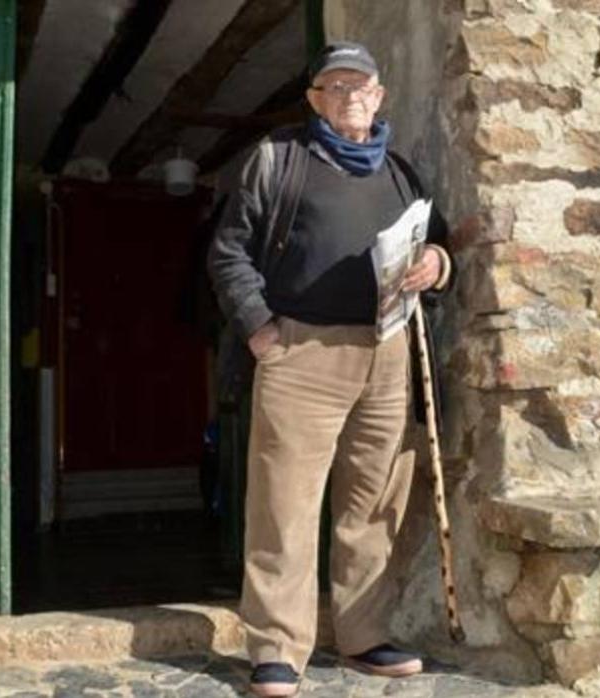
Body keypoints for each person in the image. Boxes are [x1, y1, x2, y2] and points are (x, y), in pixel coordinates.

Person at [207, 41, 454, 697]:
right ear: (316, 99)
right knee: (284, 502)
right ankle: (277, 647)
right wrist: (262, 331)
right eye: (334, 86)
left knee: (376, 502)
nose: (349, 96)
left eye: (360, 85)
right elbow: (228, 252)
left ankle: (362, 635)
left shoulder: (401, 173)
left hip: (389, 350)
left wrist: (436, 264)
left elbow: (437, 244)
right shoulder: (279, 159)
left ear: (379, 96)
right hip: (301, 351)